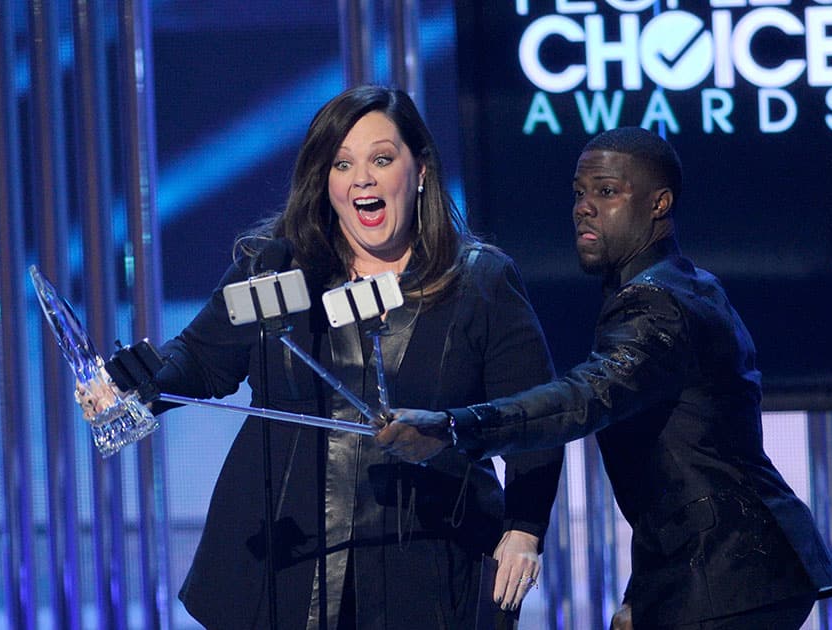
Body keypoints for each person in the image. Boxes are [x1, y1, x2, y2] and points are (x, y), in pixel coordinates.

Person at [82, 85, 563, 629]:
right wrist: (131, 386)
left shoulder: (480, 280)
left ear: (421, 169)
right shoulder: (275, 269)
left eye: (382, 159)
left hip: (427, 565)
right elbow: (199, 358)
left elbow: (534, 417)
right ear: (325, 180)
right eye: (342, 163)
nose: (363, 178)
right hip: (287, 562)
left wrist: (524, 527)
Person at [376, 126, 832, 629]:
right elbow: (682, 467)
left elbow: (582, 400)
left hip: (730, 572)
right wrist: (644, 596)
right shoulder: (684, 285)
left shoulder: (657, 304)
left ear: (659, 204)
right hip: (728, 568)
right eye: (579, 193)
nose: (584, 206)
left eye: (607, 192)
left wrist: (453, 427)